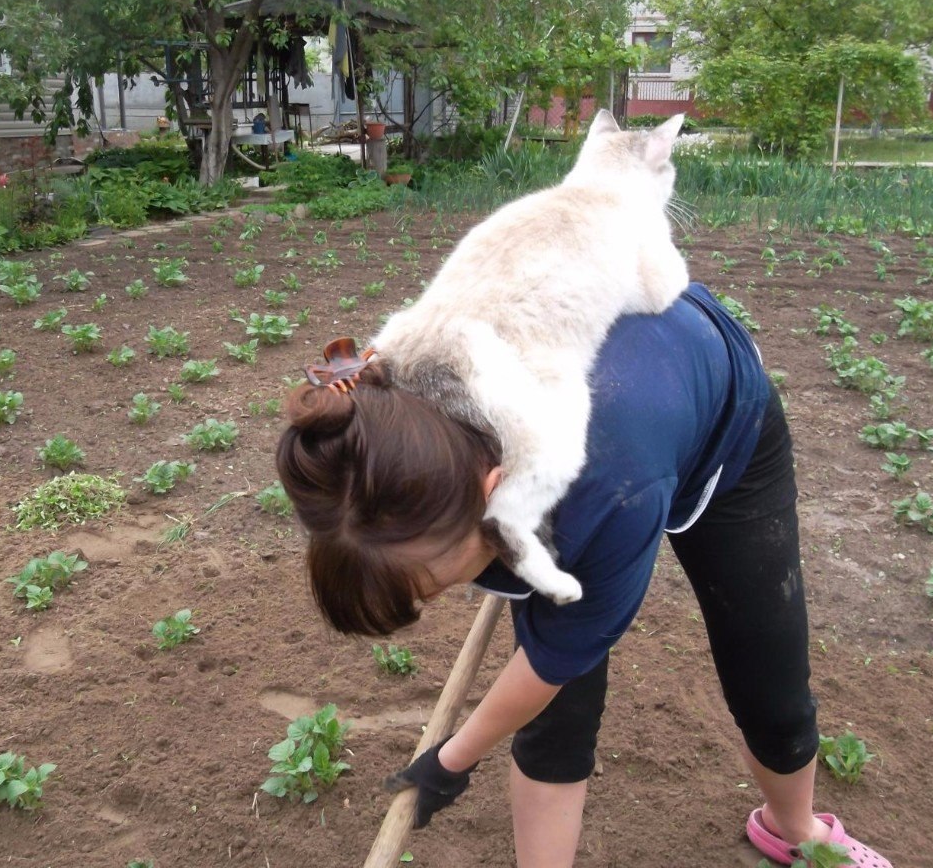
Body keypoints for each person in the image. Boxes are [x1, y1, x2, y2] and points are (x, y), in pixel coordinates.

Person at [276, 283, 892, 868]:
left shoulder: (609, 487)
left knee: (767, 678)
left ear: (493, 494)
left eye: (433, 585)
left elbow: (552, 662)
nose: (436, 599)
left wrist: (450, 759)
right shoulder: (393, 415)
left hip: (705, 402)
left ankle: (795, 827)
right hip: (551, 426)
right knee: (556, 724)